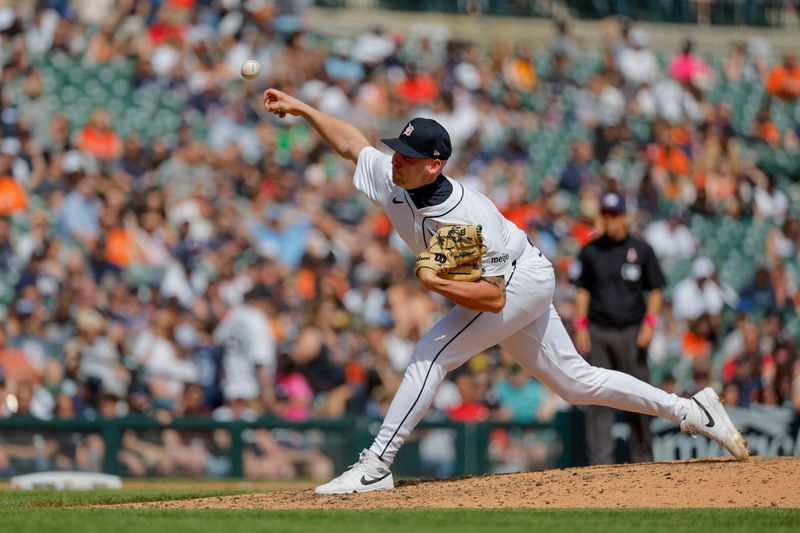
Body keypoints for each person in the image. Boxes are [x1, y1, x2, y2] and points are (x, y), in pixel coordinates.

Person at [261, 88, 749, 495]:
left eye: (408, 157)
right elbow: (352, 144)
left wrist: (436, 282)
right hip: (511, 278)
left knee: (431, 353)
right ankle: (689, 409)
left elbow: (493, 298)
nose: (397, 160)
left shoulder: (463, 215)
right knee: (575, 382)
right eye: (397, 151)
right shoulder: (394, 180)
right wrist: (303, 109)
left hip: (520, 278)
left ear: (434, 165)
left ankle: (376, 465)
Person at [572, 192, 665, 465]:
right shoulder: (590, 250)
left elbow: (656, 290)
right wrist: (581, 326)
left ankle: (643, 457)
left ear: (625, 216)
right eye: (605, 214)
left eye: (614, 214)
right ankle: (600, 462)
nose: (609, 220)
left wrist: (650, 324)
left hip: (632, 332)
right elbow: (582, 291)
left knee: (639, 395)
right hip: (599, 331)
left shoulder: (642, 249)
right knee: (598, 396)